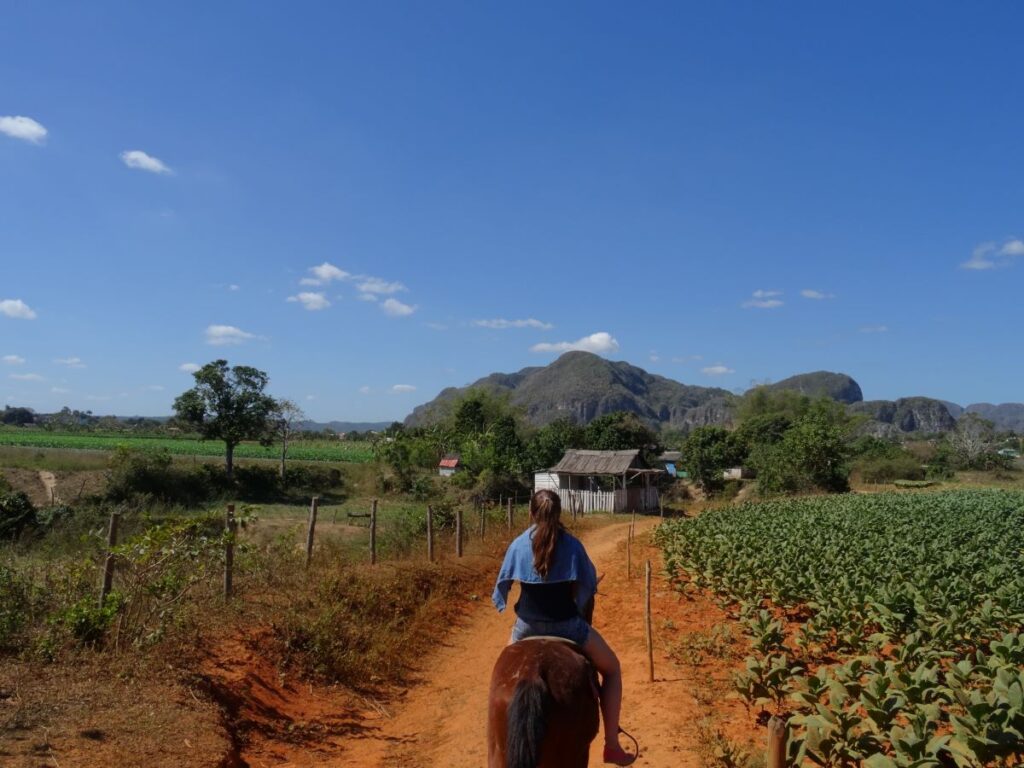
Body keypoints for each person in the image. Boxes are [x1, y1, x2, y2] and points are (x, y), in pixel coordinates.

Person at [492, 489, 633, 766]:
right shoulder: (573, 545)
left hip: (525, 628)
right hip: (569, 627)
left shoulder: (518, 544)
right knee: (613, 669)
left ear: (531, 513)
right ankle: (612, 745)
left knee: (501, 675)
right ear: (559, 513)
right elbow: (588, 586)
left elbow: (502, 586)